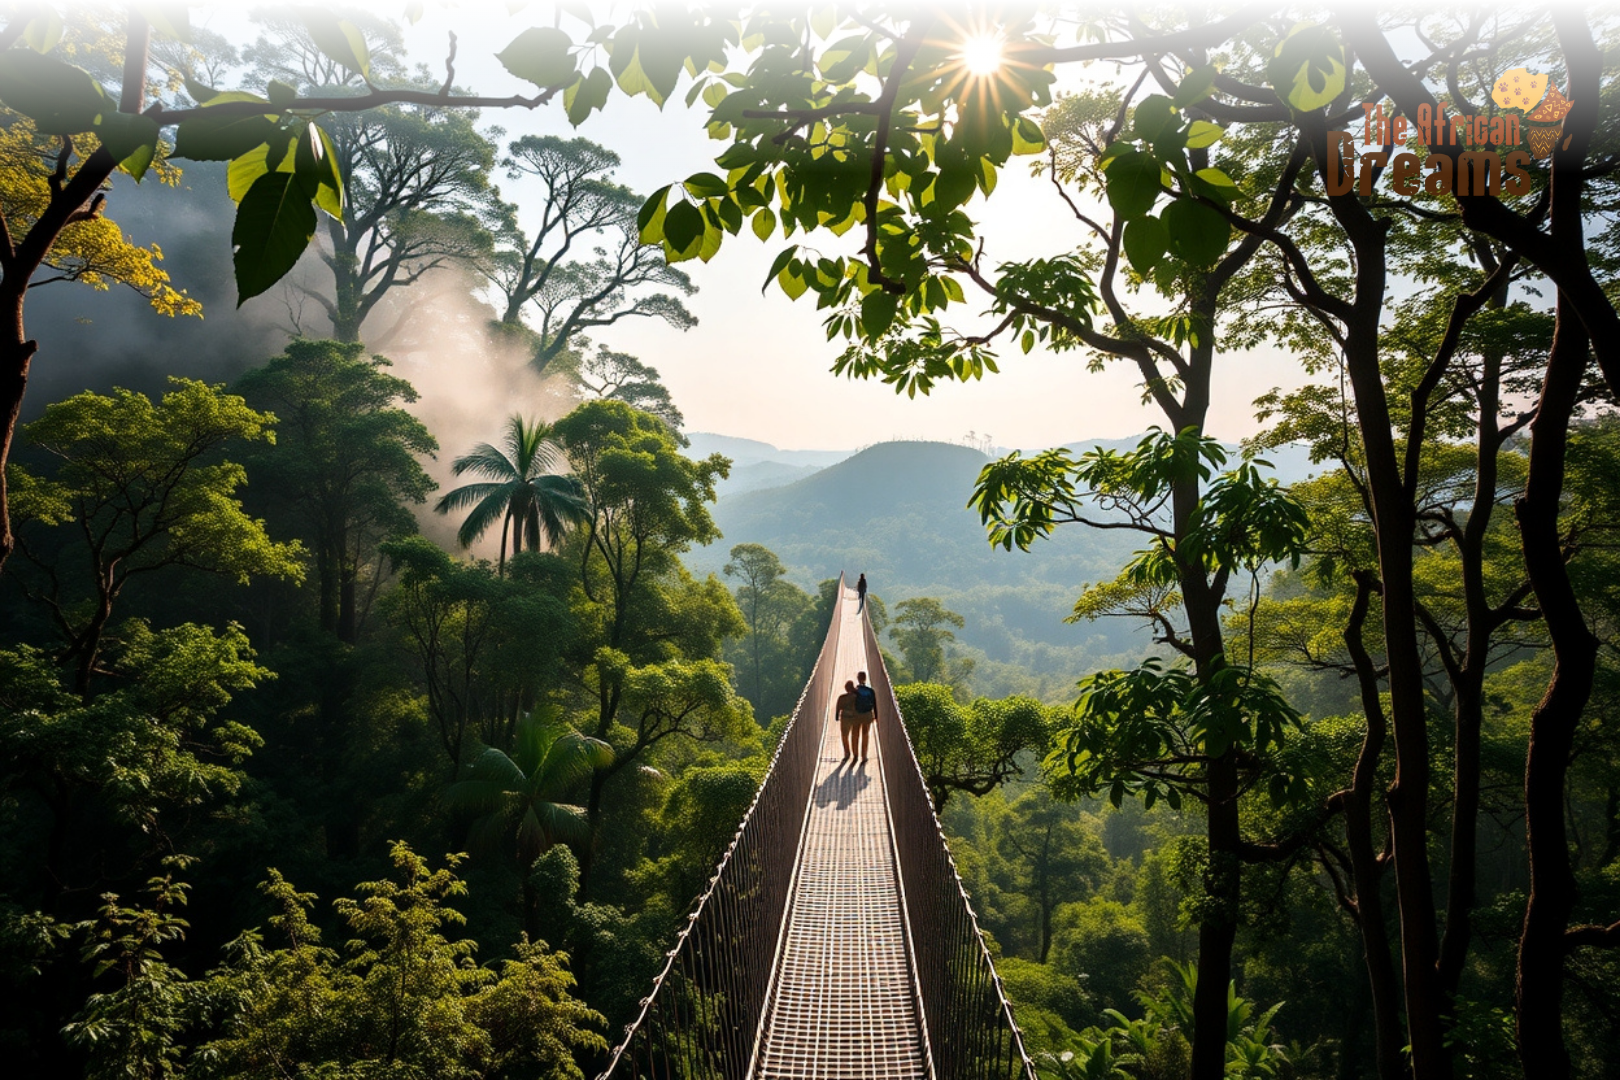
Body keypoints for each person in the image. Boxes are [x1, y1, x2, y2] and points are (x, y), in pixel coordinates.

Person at [848, 671, 877, 762]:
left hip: (856, 714)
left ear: (858, 678)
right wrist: (876, 716)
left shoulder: (854, 690)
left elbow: (851, 703)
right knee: (865, 734)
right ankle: (864, 756)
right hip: (867, 714)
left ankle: (855, 755)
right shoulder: (870, 690)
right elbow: (874, 704)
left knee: (855, 734)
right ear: (865, 678)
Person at [836, 679, 862, 763]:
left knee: (844, 736)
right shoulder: (857, 697)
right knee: (855, 736)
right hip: (856, 718)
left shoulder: (842, 698)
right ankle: (855, 754)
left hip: (845, 718)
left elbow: (838, 708)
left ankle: (847, 753)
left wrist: (837, 716)